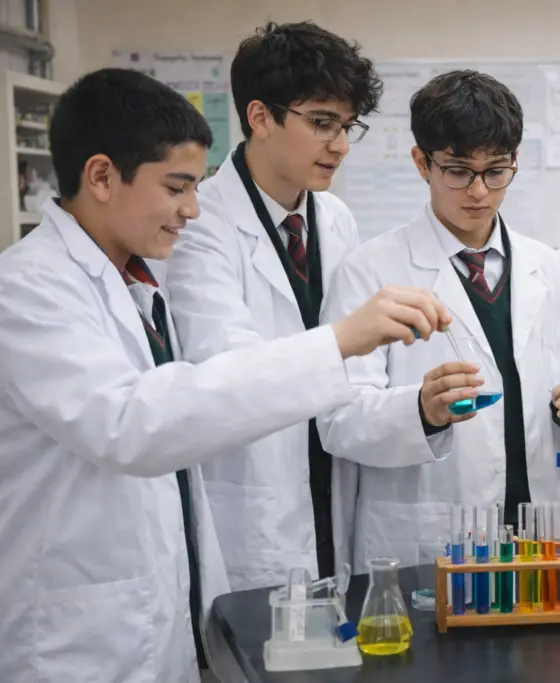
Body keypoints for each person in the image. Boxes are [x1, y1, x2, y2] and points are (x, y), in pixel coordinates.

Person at [0, 68, 450, 683]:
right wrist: (341, 342)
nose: (192, 209)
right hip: (78, 639)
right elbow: (133, 423)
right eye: (177, 187)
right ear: (101, 176)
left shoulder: (132, 284)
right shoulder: (26, 289)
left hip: (159, 616)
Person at [318, 70, 560, 572]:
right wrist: (420, 409)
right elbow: (338, 419)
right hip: (433, 535)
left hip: (540, 531)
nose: (479, 191)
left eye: (496, 171)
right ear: (421, 162)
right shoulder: (371, 270)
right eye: (458, 170)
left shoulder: (551, 267)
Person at [164, 21, 424, 589]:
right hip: (257, 502)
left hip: (333, 486)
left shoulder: (335, 218)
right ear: (260, 117)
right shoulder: (201, 225)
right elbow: (225, 374)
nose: (339, 145)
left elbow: (356, 375)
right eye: (321, 123)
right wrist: (346, 339)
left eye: (346, 126)